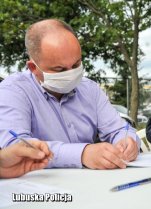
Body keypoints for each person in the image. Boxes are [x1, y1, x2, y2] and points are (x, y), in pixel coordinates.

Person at [0, 19, 140, 169]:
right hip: (42, 187)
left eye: (76, 65)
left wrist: (127, 142)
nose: (71, 74)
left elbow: (120, 129)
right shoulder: (13, 91)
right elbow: (17, 146)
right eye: (60, 70)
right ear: (33, 67)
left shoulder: (90, 89)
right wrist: (82, 154)